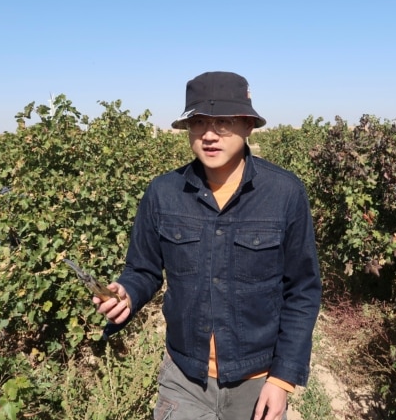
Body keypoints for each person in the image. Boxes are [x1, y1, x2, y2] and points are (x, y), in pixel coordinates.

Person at [94, 71, 322, 420]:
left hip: (257, 380)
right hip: (184, 378)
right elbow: (143, 269)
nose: (210, 135)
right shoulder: (163, 193)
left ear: (248, 126)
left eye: (224, 122)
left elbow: (302, 290)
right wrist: (127, 292)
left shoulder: (284, 194)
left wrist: (282, 379)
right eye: (199, 122)